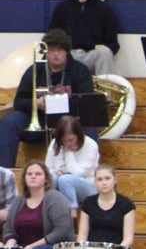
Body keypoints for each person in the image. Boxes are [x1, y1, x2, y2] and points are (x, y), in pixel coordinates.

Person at [0, 29, 94, 169]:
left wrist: (61, 103)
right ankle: (5, 173)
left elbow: (87, 103)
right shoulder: (34, 70)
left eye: (60, 50)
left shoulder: (80, 71)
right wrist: (36, 103)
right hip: (40, 119)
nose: (56, 54)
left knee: (90, 128)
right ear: (46, 51)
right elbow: (19, 102)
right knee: (9, 122)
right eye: (52, 50)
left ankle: (86, 172)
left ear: (67, 51)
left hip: (70, 121)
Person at [2, 160, 75, 249]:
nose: (33, 176)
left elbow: (63, 230)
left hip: (55, 247)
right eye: (29, 174)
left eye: (37, 174)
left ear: (46, 178)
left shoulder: (55, 198)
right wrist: (10, 242)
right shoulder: (19, 201)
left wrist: (33, 246)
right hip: (24, 247)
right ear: (24, 178)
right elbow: (9, 229)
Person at [49, 0, 120, 75]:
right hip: (69, 56)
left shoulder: (105, 10)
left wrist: (102, 47)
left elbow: (114, 45)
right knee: (54, 53)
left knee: (105, 52)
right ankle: (56, 88)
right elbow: (51, 38)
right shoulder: (62, 8)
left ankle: (105, 89)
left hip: (92, 56)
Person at [45, 115, 99, 216]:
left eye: (71, 140)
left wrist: (69, 152)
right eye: (64, 141)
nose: (67, 144)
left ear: (78, 135)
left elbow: (78, 173)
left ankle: (71, 211)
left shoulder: (91, 145)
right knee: (52, 178)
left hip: (87, 184)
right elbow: (47, 168)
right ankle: (48, 210)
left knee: (65, 179)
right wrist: (54, 172)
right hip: (61, 182)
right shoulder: (55, 144)